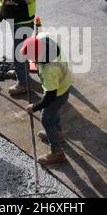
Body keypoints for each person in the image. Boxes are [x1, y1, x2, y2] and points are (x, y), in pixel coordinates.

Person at [22, 33, 72, 165]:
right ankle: (57, 133)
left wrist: (34, 107)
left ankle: (57, 153)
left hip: (57, 94)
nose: (31, 62)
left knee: (46, 119)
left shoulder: (49, 70)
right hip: (64, 86)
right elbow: (40, 34)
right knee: (53, 113)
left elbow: (50, 98)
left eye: (32, 59)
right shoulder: (45, 40)